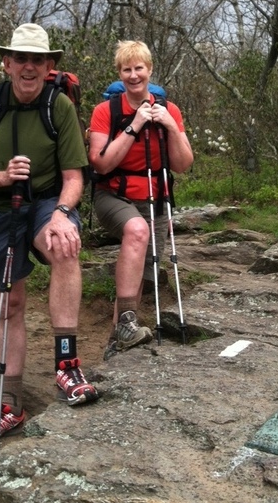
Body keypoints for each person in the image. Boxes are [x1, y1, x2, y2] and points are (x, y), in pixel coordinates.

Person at [0, 23, 98, 446]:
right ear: (7, 62)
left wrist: (61, 214)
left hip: (44, 202)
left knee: (65, 247)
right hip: (1, 207)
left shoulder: (58, 108)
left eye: (37, 60)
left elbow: (74, 177)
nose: (29, 67)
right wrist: (3, 176)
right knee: (11, 301)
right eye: (21, 58)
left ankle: (66, 364)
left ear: (48, 66)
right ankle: (11, 404)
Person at [88, 40, 194, 359]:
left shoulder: (170, 110)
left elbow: (183, 164)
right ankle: (124, 326)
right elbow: (101, 163)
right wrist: (134, 126)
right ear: (119, 74)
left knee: (143, 274)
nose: (134, 75)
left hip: (156, 200)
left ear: (149, 70)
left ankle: (116, 338)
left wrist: (170, 127)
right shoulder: (106, 112)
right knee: (136, 232)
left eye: (139, 68)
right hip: (113, 197)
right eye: (126, 69)